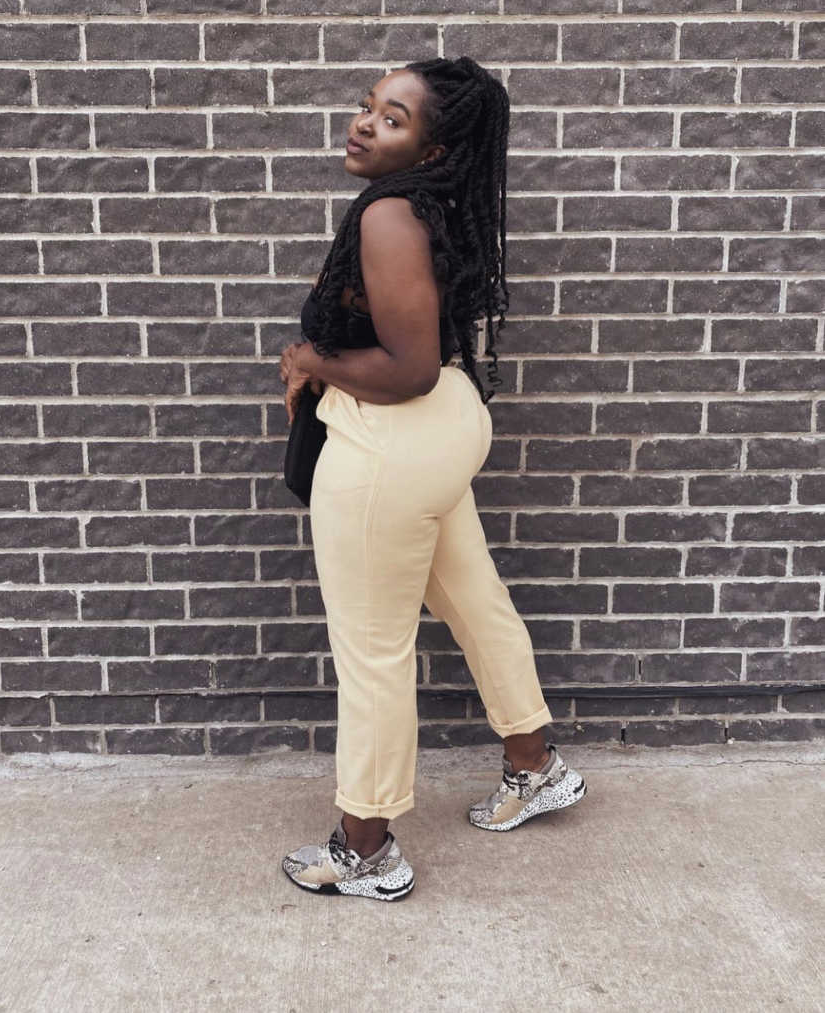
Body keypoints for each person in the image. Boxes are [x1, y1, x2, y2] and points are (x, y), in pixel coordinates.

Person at [278, 57, 586, 901]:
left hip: (393, 443)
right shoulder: (435, 203)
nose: (368, 123)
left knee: (373, 653)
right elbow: (423, 356)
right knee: (473, 597)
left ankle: (366, 848)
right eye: (370, 106)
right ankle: (536, 765)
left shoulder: (390, 217)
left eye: (395, 118)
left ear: (433, 144)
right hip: (444, 432)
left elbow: (407, 367)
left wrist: (311, 357)